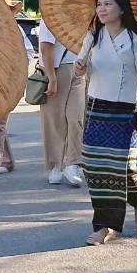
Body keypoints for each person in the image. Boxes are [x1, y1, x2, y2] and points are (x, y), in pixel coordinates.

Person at [75, 0, 137, 245]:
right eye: (99, 4)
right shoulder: (93, 36)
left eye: (108, 4)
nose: (102, 9)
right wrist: (79, 67)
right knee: (94, 164)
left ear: (121, 8)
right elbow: (80, 65)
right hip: (97, 108)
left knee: (120, 165)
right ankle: (111, 220)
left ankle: (119, 218)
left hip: (125, 110)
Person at [0, 0, 36, 183]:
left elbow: (28, 54)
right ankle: (7, 160)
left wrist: (16, 71)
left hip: (8, 83)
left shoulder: (16, 30)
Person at [38, 20, 86, 187]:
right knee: (54, 120)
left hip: (78, 69)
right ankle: (55, 165)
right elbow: (46, 47)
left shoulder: (82, 16)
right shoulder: (50, 16)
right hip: (56, 69)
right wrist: (51, 78)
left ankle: (73, 164)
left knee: (76, 118)